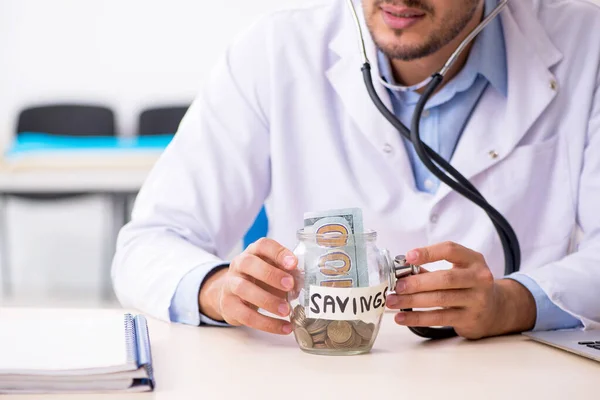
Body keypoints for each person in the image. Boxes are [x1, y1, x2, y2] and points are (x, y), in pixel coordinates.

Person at [112, 0, 600, 340]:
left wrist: (511, 303)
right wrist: (217, 288)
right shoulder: (274, 49)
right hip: (316, 375)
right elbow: (150, 241)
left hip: (508, 378)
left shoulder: (587, 44)